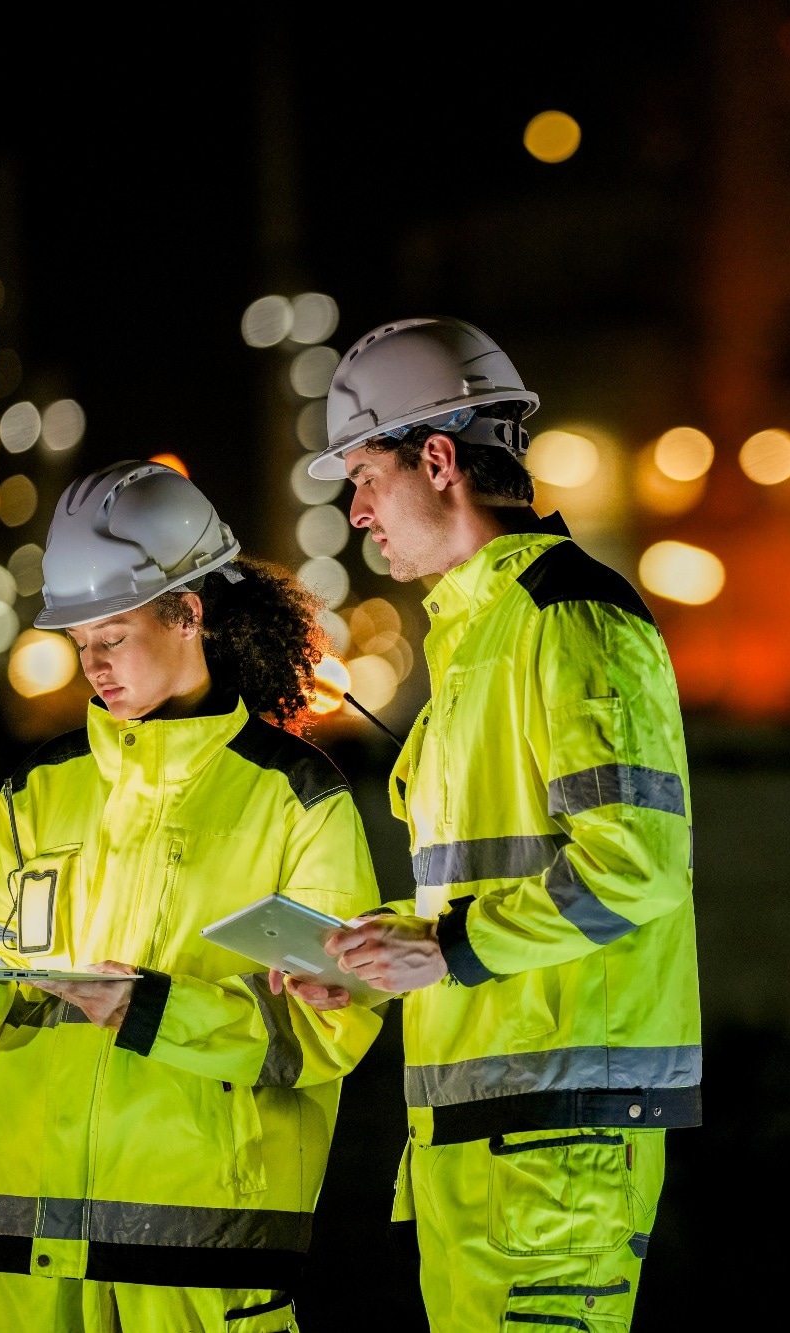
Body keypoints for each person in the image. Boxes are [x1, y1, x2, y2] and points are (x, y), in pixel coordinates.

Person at [0, 461, 382, 1333]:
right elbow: (1, 987)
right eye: (79, 641)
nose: (93, 664)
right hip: (18, 1248)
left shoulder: (295, 796)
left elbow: (336, 1019)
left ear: (190, 612)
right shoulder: (39, 787)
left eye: (114, 634)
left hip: (195, 1253)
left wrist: (148, 1010)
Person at [291, 318, 702, 1333]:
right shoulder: (475, 642)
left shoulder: (570, 618)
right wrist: (372, 953)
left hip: (555, 1149)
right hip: (480, 1144)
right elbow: (483, 895)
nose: (356, 512)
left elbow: (635, 866)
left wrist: (441, 947)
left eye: (364, 478)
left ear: (437, 459)